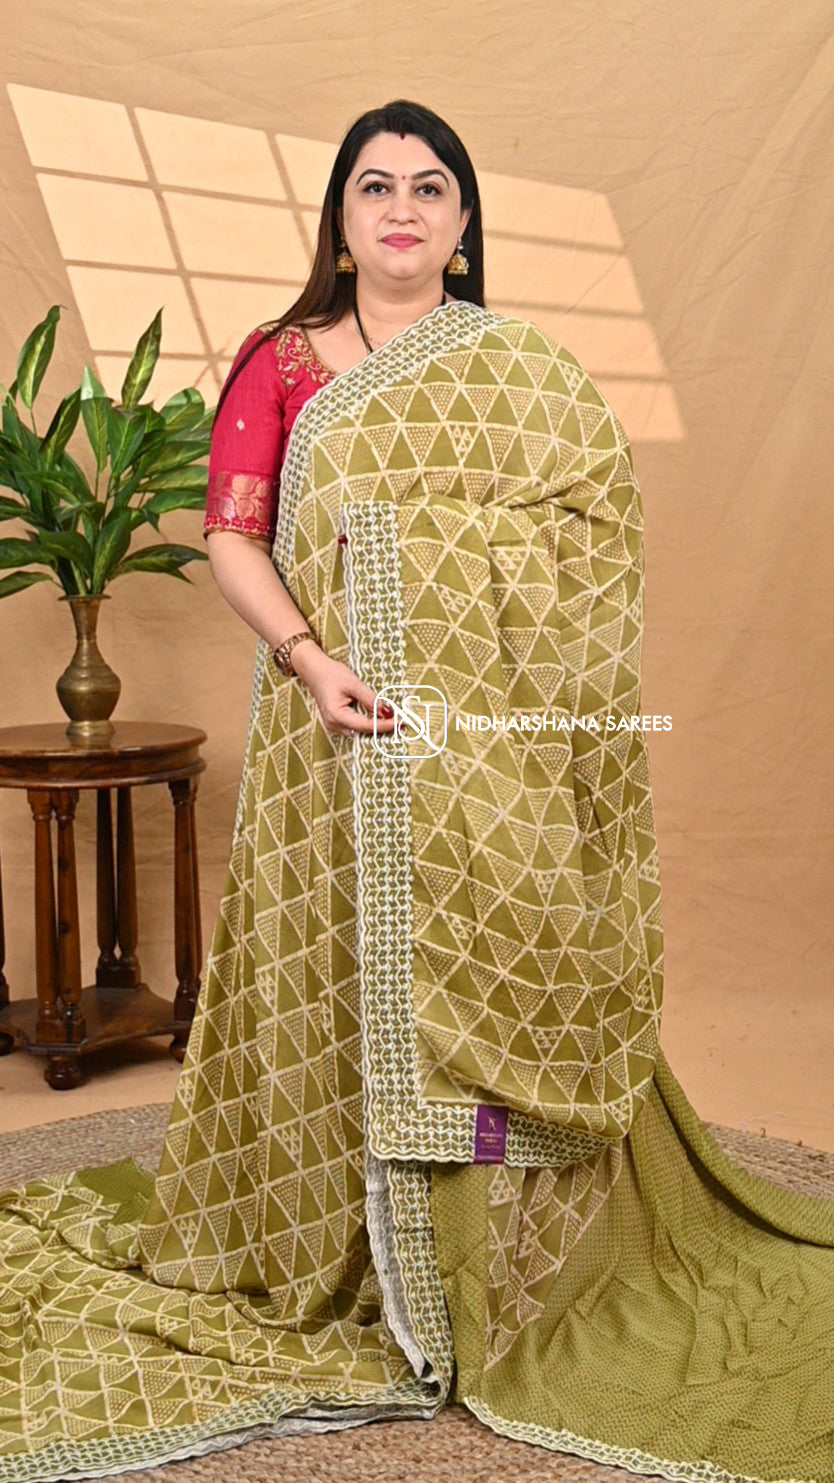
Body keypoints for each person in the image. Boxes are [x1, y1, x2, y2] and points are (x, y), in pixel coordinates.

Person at [1, 98, 834, 1483]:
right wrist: (312, 657)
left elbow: (592, 540)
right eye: (375, 186)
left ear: (461, 221)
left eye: (429, 187)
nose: (401, 208)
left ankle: (493, 1269)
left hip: (489, 741)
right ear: (340, 218)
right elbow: (233, 535)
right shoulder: (280, 362)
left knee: (486, 958)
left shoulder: (521, 373)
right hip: (332, 731)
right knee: (339, 970)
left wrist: (436, 569)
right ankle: (342, 1251)